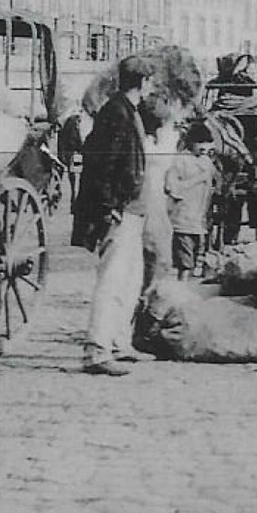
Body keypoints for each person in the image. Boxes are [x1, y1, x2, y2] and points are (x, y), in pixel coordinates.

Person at [74, 54, 156, 376]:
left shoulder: (125, 110)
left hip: (132, 209)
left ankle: (120, 341)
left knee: (130, 279)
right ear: (144, 83)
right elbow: (102, 166)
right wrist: (109, 208)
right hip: (120, 210)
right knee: (111, 280)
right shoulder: (118, 114)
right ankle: (96, 350)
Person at [164, 123, 218, 279]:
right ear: (190, 143)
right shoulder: (180, 160)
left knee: (196, 257)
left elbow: (212, 183)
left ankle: (187, 287)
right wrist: (196, 180)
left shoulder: (206, 161)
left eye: (207, 149)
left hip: (199, 216)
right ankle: (181, 287)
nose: (204, 152)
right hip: (183, 216)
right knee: (184, 260)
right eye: (200, 148)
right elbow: (171, 187)